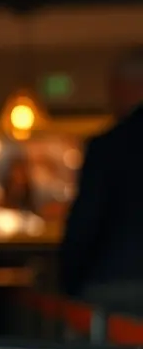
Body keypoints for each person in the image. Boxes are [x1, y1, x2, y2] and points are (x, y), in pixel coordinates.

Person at [58, 47, 143, 310]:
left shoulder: (109, 147)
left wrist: (70, 283)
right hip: (116, 279)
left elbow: (86, 220)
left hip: (114, 282)